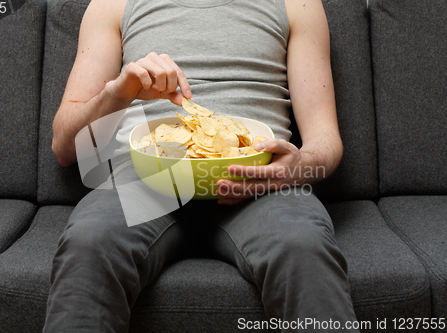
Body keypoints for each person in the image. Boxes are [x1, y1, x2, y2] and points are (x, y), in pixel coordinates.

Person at [44, 0, 359, 331]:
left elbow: (326, 140)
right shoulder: (112, 4)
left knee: (303, 244)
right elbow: (65, 147)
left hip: (259, 186)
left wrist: (299, 166)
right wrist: (117, 94)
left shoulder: (298, 4)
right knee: (89, 242)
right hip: (144, 183)